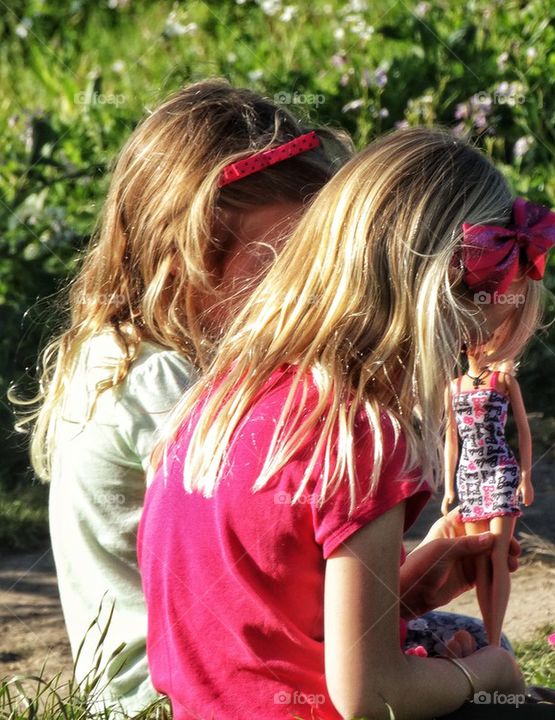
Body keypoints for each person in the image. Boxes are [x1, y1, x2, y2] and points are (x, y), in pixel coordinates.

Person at [139, 127, 555, 719]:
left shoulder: (222, 399)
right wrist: (487, 673)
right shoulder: (359, 438)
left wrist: (408, 590)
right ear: (430, 310)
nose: (456, 369)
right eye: (463, 342)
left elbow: (267, 624)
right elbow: (372, 694)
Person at [16, 78, 350, 712]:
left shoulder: (125, 354)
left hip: (185, 674)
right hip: (176, 695)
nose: (295, 286)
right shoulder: (160, 383)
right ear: (188, 254)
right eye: (272, 262)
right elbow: (274, 557)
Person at [442, 196, 555, 648]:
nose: (480, 342)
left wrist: (528, 476)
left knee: (497, 552)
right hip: (469, 474)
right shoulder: (454, 387)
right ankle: (491, 639)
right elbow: (451, 442)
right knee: (479, 558)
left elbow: (523, 431)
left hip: (498, 469)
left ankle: (493, 641)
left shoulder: (502, 380)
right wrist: (448, 487)